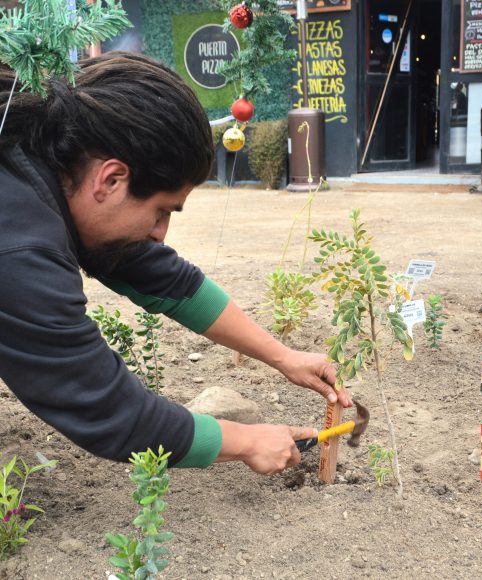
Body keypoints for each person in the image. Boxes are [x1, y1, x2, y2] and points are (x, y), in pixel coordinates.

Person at [0, 52, 352, 476]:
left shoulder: (38, 157)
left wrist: (283, 356)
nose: (160, 233)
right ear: (111, 179)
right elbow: (107, 409)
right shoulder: (19, 248)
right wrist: (246, 440)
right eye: (162, 210)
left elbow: (157, 275)